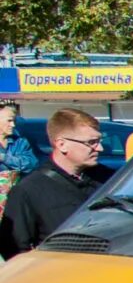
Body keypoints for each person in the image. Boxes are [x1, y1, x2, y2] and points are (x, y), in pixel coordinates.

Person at [0, 107, 108, 257]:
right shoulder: (29, 191)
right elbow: (14, 251)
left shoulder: (111, 179)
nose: (100, 148)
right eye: (91, 142)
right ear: (62, 144)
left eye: (99, 141)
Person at [0, 100, 35, 212]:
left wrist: (4, 158)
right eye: (9, 121)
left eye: (14, 120)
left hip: (16, 201)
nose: (13, 125)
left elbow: (30, 164)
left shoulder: (20, 142)